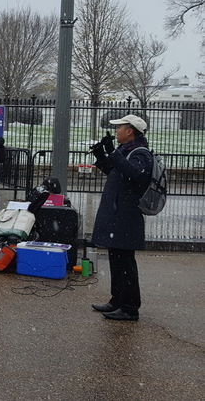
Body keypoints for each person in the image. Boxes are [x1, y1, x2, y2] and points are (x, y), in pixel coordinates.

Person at [90, 114, 153, 321]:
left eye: (120, 128)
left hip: (127, 216)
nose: (116, 131)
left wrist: (112, 153)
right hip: (118, 214)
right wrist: (101, 156)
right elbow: (114, 171)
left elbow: (133, 174)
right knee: (116, 259)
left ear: (130, 131)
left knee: (125, 262)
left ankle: (130, 307)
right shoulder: (125, 151)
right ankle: (117, 300)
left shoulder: (140, 153)